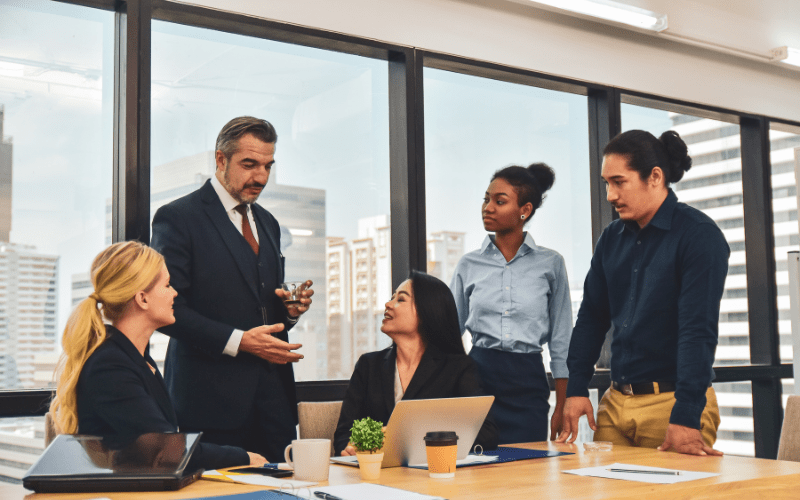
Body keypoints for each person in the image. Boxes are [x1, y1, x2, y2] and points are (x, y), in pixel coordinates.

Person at [150, 116, 314, 462]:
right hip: (209, 402)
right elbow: (167, 312)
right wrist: (240, 341)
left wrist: (289, 311)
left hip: (274, 404)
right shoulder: (177, 218)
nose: (261, 177)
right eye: (250, 164)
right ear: (220, 160)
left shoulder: (268, 223)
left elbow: (259, 303)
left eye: (268, 166)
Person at [557, 130, 729, 456]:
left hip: (672, 404)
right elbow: (592, 318)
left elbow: (698, 331)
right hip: (616, 403)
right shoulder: (611, 238)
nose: (610, 194)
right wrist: (577, 389)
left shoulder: (699, 236)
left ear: (654, 177)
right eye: (606, 183)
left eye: (619, 182)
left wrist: (686, 415)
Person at [49, 241, 264, 471]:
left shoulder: (137, 359)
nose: (175, 293)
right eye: (167, 285)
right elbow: (166, 449)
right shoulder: (110, 365)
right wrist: (245, 457)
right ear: (142, 299)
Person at [450, 163, 572, 444]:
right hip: (478, 380)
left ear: (524, 210)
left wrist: (562, 406)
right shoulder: (468, 264)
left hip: (528, 383)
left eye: (499, 201)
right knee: (478, 473)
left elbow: (561, 340)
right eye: (486, 199)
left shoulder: (551, 264)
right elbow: (448, 333)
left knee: (528, 474)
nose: (487, 207)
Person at [333, 271, 498, 456]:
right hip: (374, 476)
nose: (388, 304)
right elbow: (343, 435)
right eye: (391, 298)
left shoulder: (459, 367)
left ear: (428, 311)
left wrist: (410, 437)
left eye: (400, 300)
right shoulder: (368, 365)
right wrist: (348, 450)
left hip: (435, 476)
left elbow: (486, 434)